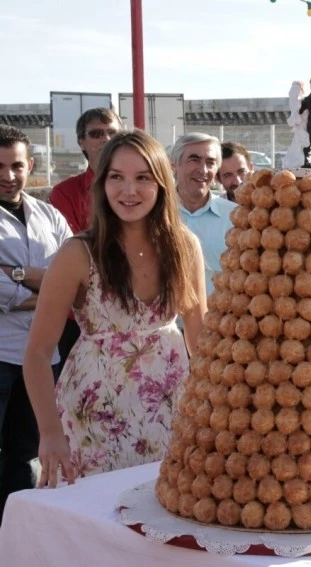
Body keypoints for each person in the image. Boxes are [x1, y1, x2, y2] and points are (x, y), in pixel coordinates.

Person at [23, 130, 207, 487]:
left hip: (172, 410)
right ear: (102, 183)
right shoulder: (77, 254)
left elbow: (199, 337)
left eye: (143, 178)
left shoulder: (185, 246)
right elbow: (37, 353)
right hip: (91, 420)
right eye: (117, 177)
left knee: (167, 508)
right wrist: (49, 432)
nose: (129, 190)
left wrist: (213, 409)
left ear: (162, 182)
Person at [0, 125, 72, 522]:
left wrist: (14, 275)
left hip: (45, 358)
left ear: (30, 165)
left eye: (16, 166)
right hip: (2, 353)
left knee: (28, 454)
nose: (8, 176)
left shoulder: (50, 216)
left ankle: (20, 528)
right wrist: (48, 288)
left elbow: (73, 278)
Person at [48, 108, 123, 370]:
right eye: (96, 133)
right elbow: (76, 253)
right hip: (81, 316)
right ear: (81, 141)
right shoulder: (65, 193)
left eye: (112, 132)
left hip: (133, 312)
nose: (106, 139)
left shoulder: (138, 188)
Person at [171, 133, 236, 296]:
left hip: (219, 311)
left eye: (210, 162)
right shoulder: (155, 214)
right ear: (174, 165)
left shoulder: (235, 218)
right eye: (194, 160)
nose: (203, 170)